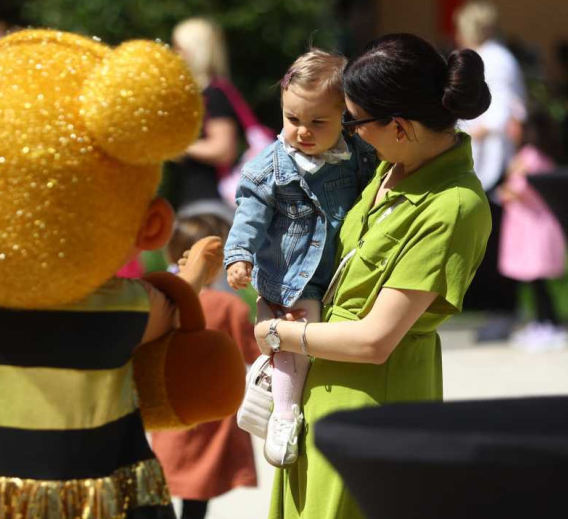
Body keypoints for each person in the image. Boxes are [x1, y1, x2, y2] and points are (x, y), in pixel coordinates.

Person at [254, 33, 492, 519]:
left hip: (373, 406)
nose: (350, 132)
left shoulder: (455, 205)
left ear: (400, 126)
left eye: (354, 121)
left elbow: (374, 341)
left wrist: (275, 333)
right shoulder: (388, 168)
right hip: (318, 392)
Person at [224, 49, 376, 468]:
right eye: (293, 119)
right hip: (294, 276)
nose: (303, 131)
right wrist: (239, 257)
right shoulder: (269, 169)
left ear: (343, 117)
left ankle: (271, 372)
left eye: (317, 122)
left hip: (341, 271)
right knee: (299, 330)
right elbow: (248, 219)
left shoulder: (358, 156)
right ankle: (285, 413)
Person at [151, 212, 259, 519]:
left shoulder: (160, 299)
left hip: (168, 410)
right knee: (197, 500)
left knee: (162, 483)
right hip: (210, 418)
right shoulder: (228, 307)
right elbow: (253, 351)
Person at [454, 1, 526, 339]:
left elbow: (504, 110)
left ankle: (503, 310)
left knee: (495, 238)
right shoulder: (487, 55)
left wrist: (472, 130)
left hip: (493, 158)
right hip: (482, 157)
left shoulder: (496, 59)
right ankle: (494, 309)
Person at [497, 111, 568, 352]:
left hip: (536, 228)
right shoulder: (526, 155)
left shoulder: (532, 157)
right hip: (527, 227)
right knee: (534, 282)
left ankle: (550, 324)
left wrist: (505, 191)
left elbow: (520, 189)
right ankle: (541, 322)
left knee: (540, 282)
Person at [165, 18, 240, 209]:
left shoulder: (213, 94)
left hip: (212, 202)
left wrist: (177, 146)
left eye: (178, 47)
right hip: (200, 200)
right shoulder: (200, 94)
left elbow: (223, 149)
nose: (174, 54)